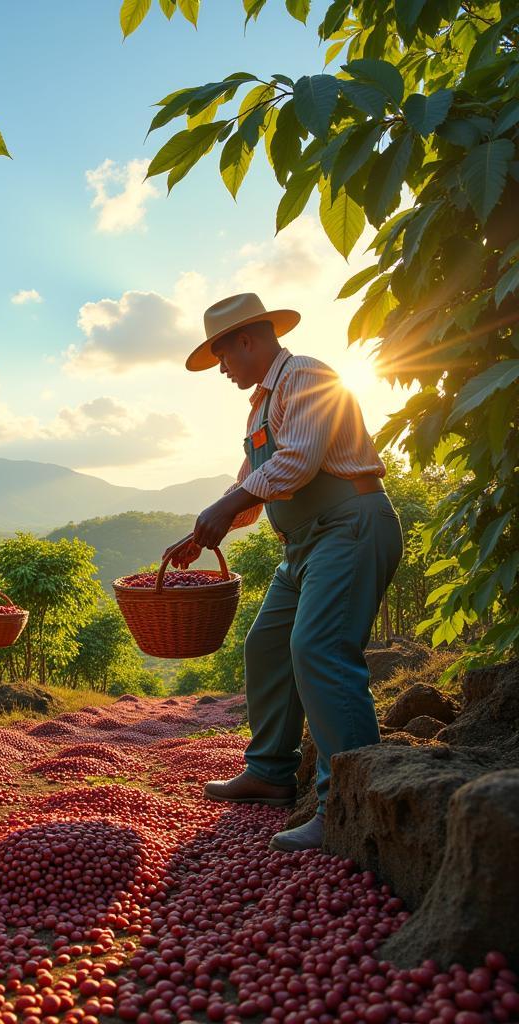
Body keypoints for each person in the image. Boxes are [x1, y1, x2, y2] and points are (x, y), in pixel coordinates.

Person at [166, 293, 403, 852]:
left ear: (246, 341)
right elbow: (255, 479)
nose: (223, 371)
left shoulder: (307, 376)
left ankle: (348, 802)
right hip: (302, 544)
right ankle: (272, 771)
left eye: (223, 358)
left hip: (346, 526)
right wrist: (208, 526)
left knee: (319, 649)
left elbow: (296, 463)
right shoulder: (262, 405)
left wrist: (225, 510)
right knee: (267, 645)